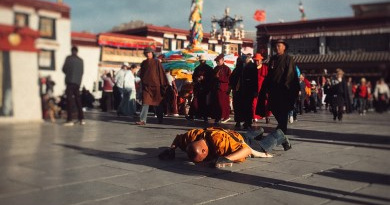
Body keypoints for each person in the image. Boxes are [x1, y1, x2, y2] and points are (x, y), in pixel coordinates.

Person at [158, 127, 291, 168]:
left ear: (204, 151)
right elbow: (177, 139)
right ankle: (258, 131)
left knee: (262, 147)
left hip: (242, 141)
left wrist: (225, 159)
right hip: (233, 134)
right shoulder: (191, 138)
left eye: (203, 159)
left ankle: (278, 135)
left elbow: (246, 150)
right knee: (246, 136)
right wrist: (172, 149)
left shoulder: (219, 143)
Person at [257, 39, 299, 134]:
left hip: (284, 89)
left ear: (284, 47)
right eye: (276, 46)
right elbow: (269, 74)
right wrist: (266, 86)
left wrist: (287, 87)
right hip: (273, 89)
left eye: (279, 45)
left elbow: (290, 74)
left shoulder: (288, 59)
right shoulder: (272, 59)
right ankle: (281, 124)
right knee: (273, 107)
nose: (277, 47)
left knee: (283, 108)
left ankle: (282, 128)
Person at [136, 47, 168, 125]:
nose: (148, 54)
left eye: (149, 52)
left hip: (156, 86)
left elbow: (161, 73)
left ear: (152, 53)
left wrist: (163, 84)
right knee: (145, 103)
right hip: (146, 86)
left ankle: (160, 119)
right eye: (146, 53)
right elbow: (141, 74)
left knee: (157, 103)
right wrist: (142, 82)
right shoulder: (144, 63)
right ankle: (142, 120)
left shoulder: (157, 62)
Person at [62, 46, 85, 126]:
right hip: (77, 83)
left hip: (70, 81)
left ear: (71, 51)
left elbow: (64, 69)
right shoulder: (81, 60)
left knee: (69, 100)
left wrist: (69, 73)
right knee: (78, 100)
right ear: (77, 51)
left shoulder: (68, 58)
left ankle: (70, 120)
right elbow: (82, 72)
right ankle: (81, 119)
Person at [186, 54, 213, 122]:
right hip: (198, 87)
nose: (201, 62)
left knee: (205, 103)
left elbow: (212, 78)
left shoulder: (209, 69)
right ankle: (192, 115)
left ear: (205, 61)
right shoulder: (197, 68)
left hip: (205, 88)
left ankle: (205, 117)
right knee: (195, 101)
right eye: (200, 61)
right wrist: (197, 79)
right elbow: (193, 77)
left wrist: (204, 78)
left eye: (203, 60)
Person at [210, 54, 232, 124]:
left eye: (218, 61)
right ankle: (218, 117)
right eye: (216, 61)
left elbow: (229, 79)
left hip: (223, 88)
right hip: (216, 88)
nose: (217, 62)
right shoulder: (216, 68)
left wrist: (219, 77)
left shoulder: (227, 69)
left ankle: (226, 116)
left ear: (222, 60)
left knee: (223, 103)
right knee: (216, 103)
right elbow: (212, 78)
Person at [252, 53, 271, 124]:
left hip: (264, 89)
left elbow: (269, 79)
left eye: (258, 60)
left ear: (261, 60)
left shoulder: (265, 68)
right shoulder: (252, 68)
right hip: (255, 90)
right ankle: (254, 117)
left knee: (266, 103)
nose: (256, 62)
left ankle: (267, 117)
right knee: (254, 103)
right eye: (255, 60)